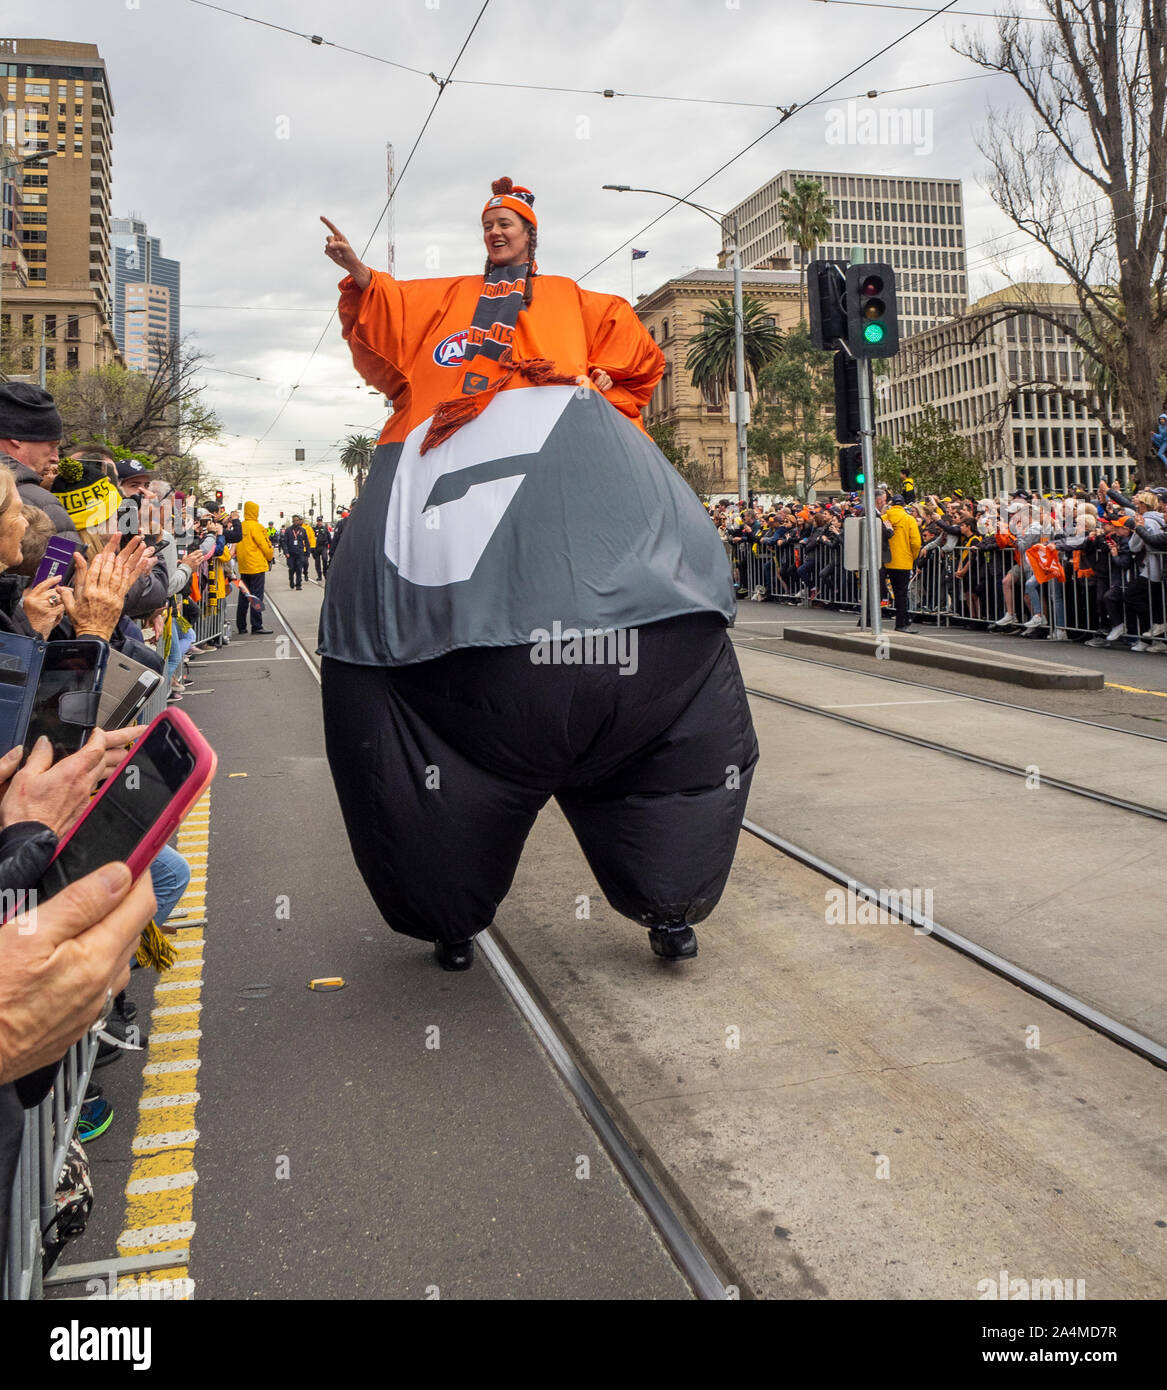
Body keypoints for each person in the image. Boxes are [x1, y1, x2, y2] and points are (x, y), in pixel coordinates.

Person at [317, 177, 757, 971]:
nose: (495, 232)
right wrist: (359, 275)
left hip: (577, 507)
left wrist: (596, 389)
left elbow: (637, 366)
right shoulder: (439, 302)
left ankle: (667, 900)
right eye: (485, 222)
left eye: (506, 223)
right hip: (443, 539)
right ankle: (448, 906)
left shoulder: (576, 303)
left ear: (529, 233)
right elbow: (385, 336)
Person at [0, 383, 80, 543]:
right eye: (51, 445)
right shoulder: (40, 503)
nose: (55, 458)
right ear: (17, 439)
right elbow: (68, 566)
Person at [878, 492, 922, 631]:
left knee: (879, 589)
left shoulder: (884, 518)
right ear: (903, 505)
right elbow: (915, 543)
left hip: (885, 560)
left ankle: (868, 620)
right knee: (901, 593)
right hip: (903, 561)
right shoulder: (909, 520)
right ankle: (901, 623)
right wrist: (913, 557)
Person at [235, 500, 275, 634]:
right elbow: (266, 546)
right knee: (256, 596)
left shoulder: (240, 526)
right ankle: (256, 625)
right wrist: (269, 558)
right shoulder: (257, 527)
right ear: (255, 512)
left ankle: (241, 626)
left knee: (243, 596)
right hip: (256, 566)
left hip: (244, 566)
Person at [281, 515, 312, 589]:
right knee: (291, 568)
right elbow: (284, 542)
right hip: (291, 553)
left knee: (299, 569)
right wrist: (286, 552)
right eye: (294, 520)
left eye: (297, 520)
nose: (296, 522)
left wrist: (308, 553)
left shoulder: (302, 530)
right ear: (292, 521)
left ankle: (298, 585)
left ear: (299, 521)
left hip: (300, 553)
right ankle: (291, 580)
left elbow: (307, 542)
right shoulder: (288, 530)